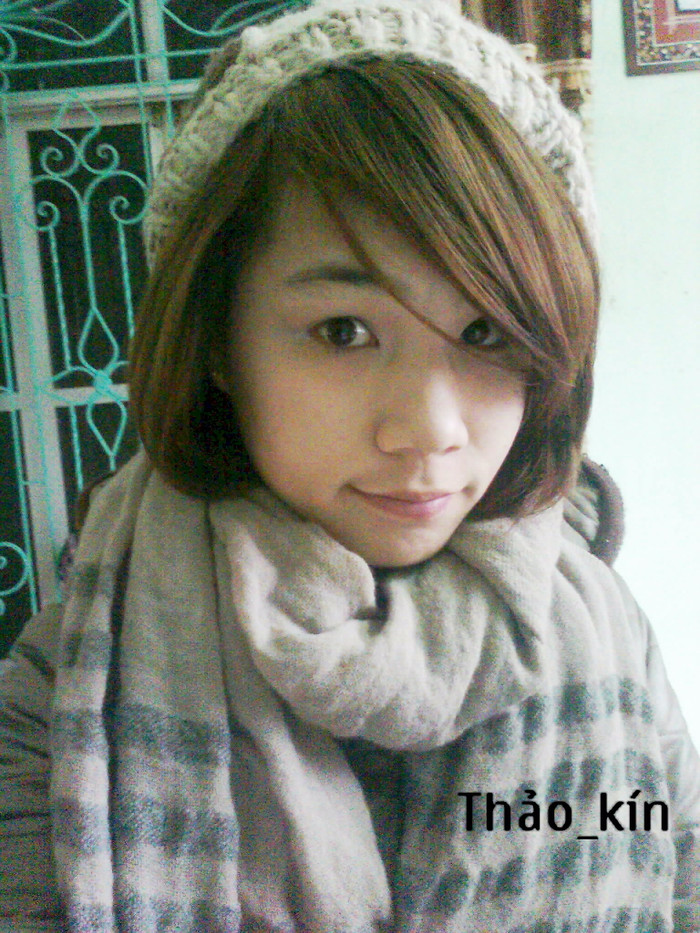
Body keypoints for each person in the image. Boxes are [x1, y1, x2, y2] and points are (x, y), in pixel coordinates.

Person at [1, 0, 698, 930]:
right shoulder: (75, 682)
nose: (429, 429)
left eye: (484, 333)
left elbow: (676, 867)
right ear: (216, 340)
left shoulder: (605, 630)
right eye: (343, 330)